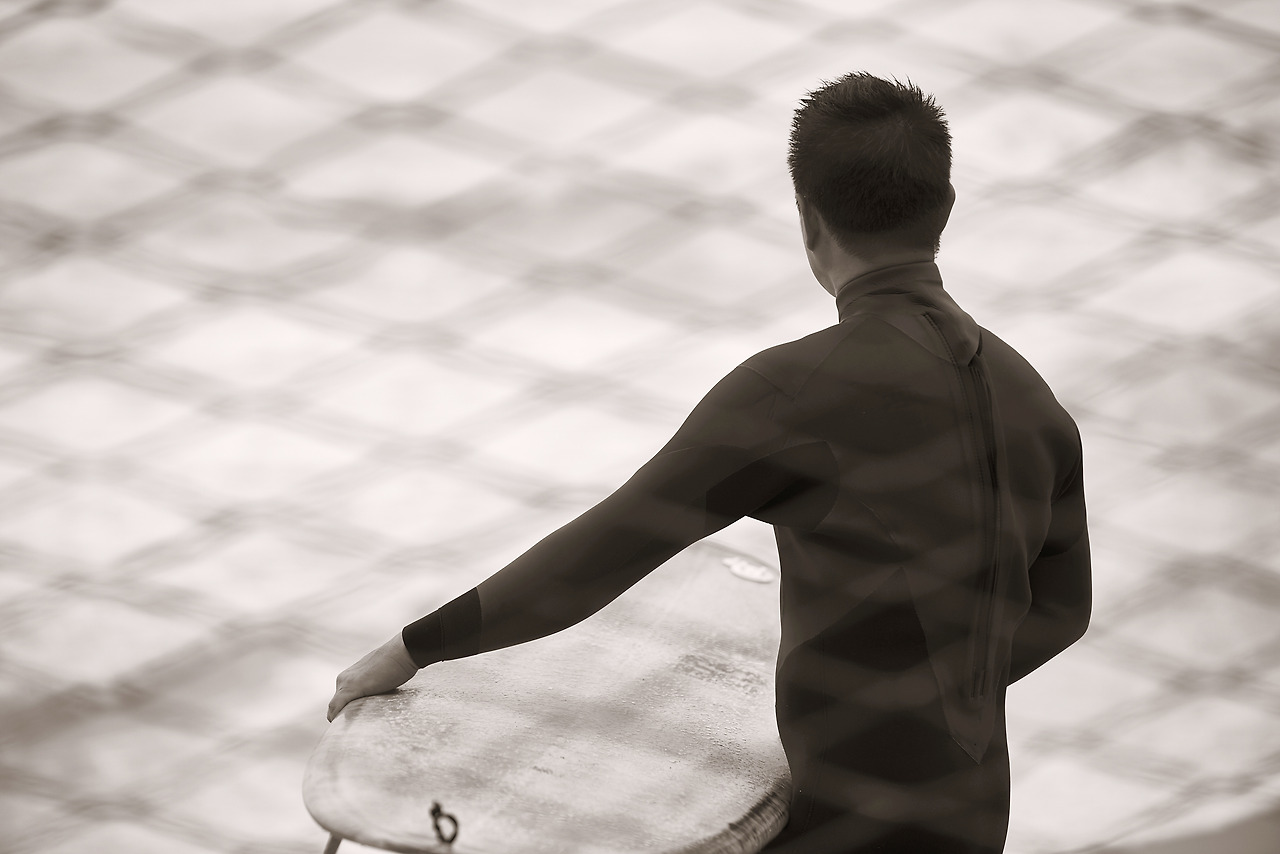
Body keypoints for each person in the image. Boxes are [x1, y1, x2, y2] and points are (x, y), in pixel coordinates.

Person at [326, 72, 1091, 854]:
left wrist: (410, 649)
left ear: (808, 218)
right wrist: (921, 695)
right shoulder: (1035, 404)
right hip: (973, 820)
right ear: (947, 206)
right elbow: (1064, 613)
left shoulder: (794, 391)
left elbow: (602, 553)